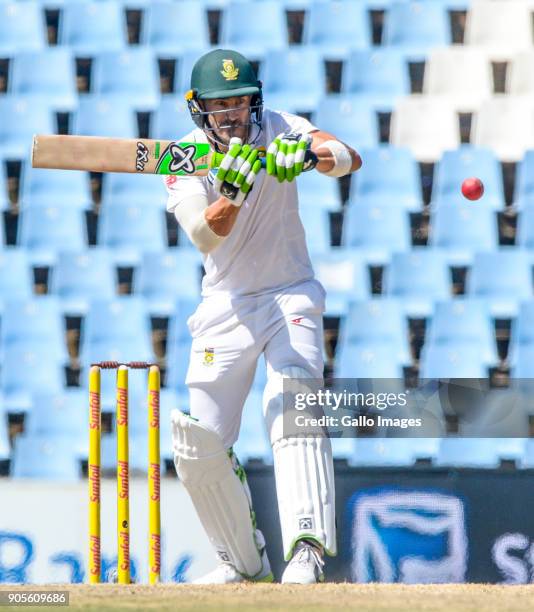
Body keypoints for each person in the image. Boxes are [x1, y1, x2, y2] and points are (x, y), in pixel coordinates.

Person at [166, 48, 361, 585]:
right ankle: (241, 563)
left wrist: (308, 157)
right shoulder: (182, 158)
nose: (230, 114)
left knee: (293, 405)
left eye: (239, 101)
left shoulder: (281, 127)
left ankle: (306, 549)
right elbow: (203, 235)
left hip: (290, 294)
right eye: (218, 105)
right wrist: (229, 192)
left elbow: (347, 155)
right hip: (225, 305)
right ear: (198, 109)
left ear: (255, 102)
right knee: (198, 440)